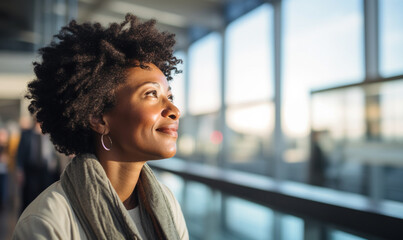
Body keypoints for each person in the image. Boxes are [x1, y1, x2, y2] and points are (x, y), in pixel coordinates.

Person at [12, 13, 188, 240]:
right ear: (99, 119)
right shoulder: (47, 222)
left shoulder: (168, 203)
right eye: (151, 93)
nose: (174, 110)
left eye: (169, 95)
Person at [16, 121, 60, 213]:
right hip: (30, 170)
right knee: (29, 197)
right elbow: (20, 153)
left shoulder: (50, 134)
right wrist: (19, 170)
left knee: (45, 197)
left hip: (46, 172)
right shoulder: (27, 134)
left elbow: (54, 153)